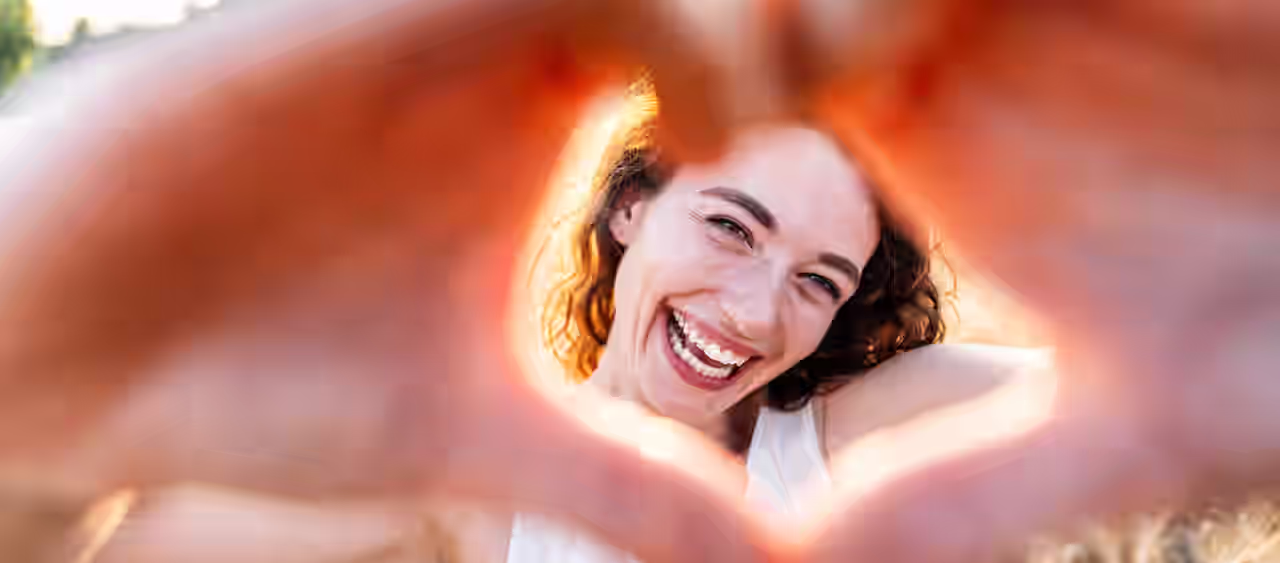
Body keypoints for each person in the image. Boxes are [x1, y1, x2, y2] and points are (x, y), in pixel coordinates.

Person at [0, 0, 1276, 562]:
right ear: (628, 207)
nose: (757, 308)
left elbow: (1215, 386)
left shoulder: (846, 435)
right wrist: (36, 409)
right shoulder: (461, 498)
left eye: (818, 276)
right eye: (731, 224)